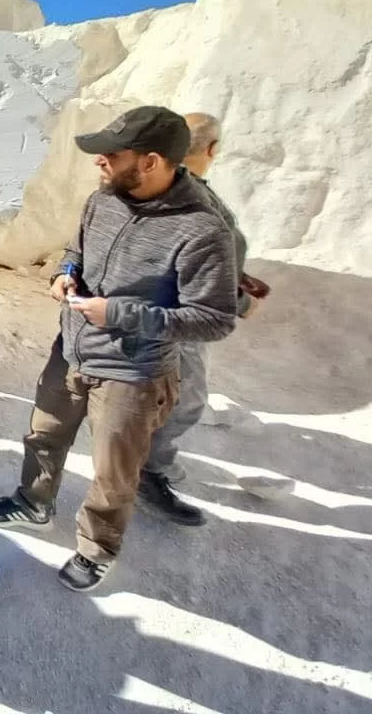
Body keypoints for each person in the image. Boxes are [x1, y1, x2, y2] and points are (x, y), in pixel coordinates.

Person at [0, 106, 238, 593]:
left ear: (151, 162)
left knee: (114, 472)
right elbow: (76, 250)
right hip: (71, 350)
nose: (99, 162)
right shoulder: (103, 199)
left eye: (111, 155)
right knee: (44, 436)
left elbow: (214, 319)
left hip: (133, 373)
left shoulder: (202, 229)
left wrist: (118, 313)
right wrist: (65, 272)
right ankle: (34, 503)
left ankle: (97, 549)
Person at [139, 112, 258, 526]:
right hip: (185, 312)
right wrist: (239, 300)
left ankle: (143, 461)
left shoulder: (163, 184)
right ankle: (147, 472)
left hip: (169, 307)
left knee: (165, 394)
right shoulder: (189, 194)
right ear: (212, 149)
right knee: (184, 400)